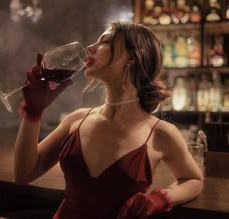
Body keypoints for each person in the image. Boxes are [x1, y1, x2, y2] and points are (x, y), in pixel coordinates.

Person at [14, 21, 203, 219]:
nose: (89, 48)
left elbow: (193, 180)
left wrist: (160, 199)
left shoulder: (160, 132)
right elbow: (24, 173)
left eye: (105, 41)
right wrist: (33, 112)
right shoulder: (76, 120)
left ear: (133, 57)